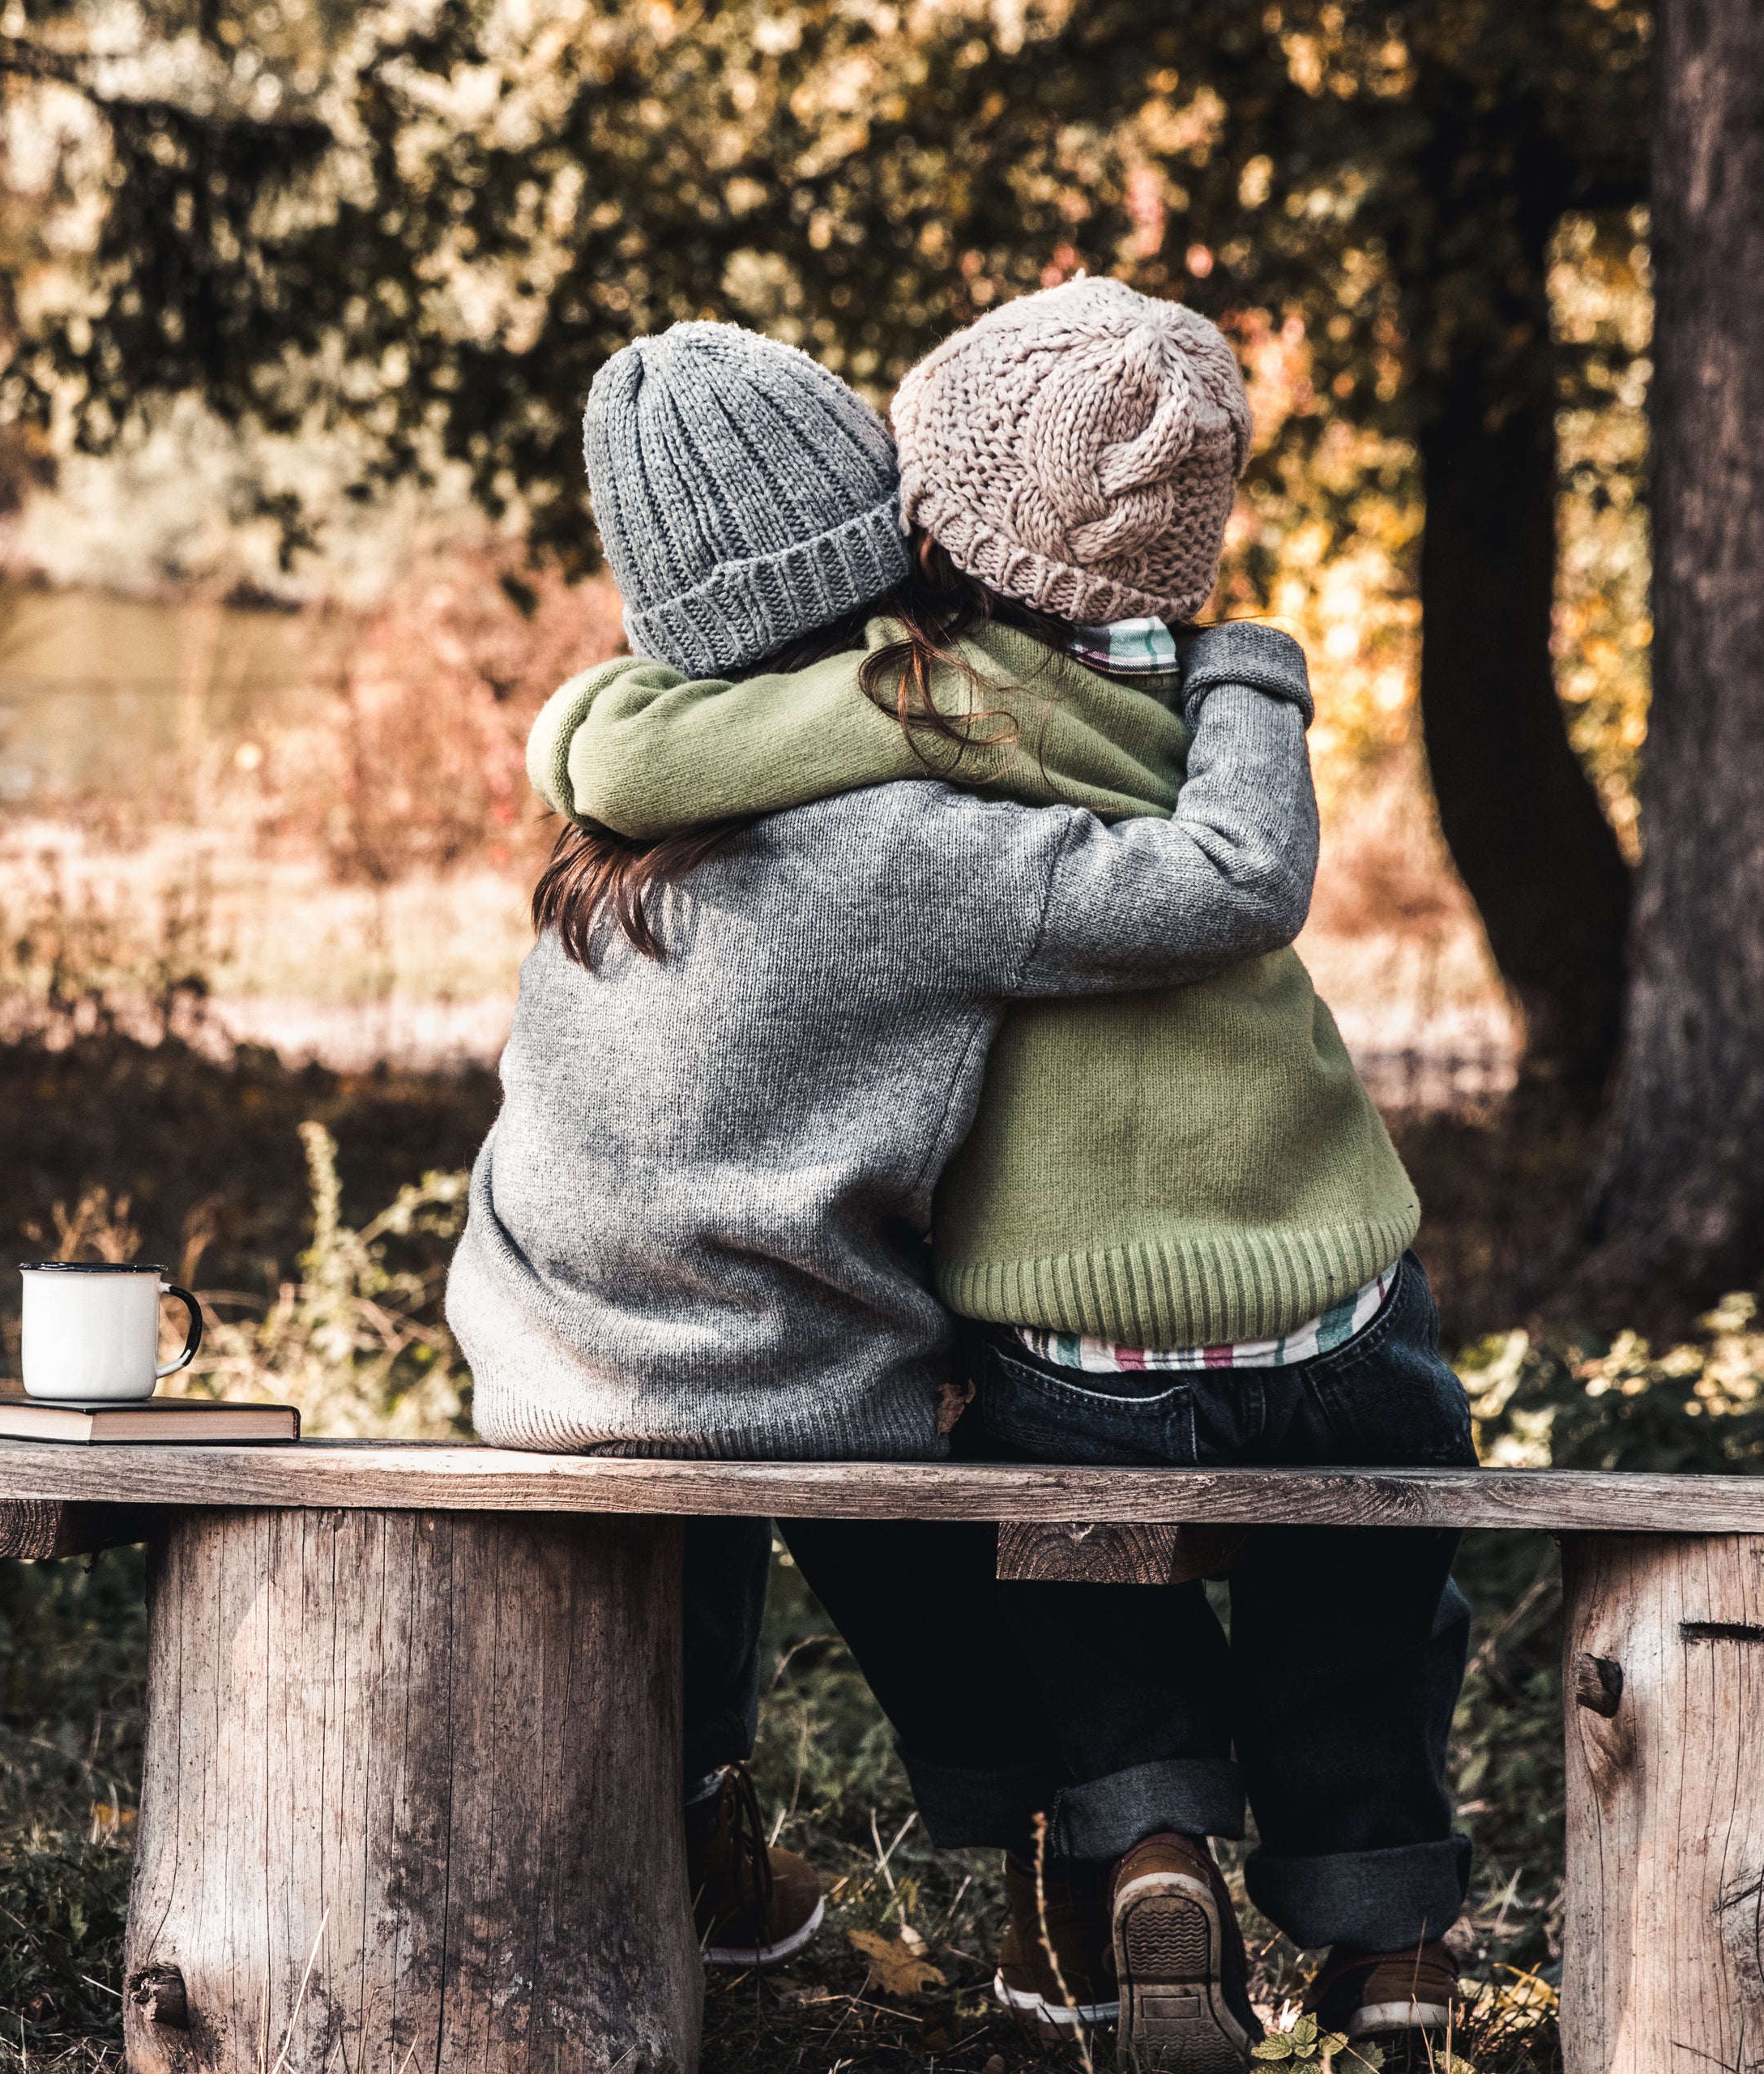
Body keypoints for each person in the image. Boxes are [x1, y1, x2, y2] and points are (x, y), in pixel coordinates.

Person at [529, 280, 1475, 2072]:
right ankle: (1388, 1934)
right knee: (1367, 1589)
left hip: (874, 1337)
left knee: (1074, 1581)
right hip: (1321, 1296)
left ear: (939, 521)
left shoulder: (827, 747)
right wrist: (1254, 669)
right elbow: (1235, 875)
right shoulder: (1106, 741)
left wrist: (580, 737)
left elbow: (643, 742)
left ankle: (1147, 1833)